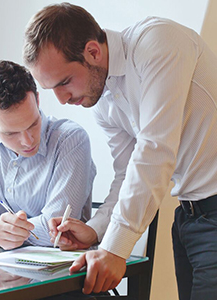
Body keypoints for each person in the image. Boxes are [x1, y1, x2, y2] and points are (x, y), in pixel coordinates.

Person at [23, 3, 217, 299]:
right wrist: (97, 230)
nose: (62, 100)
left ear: (93, 52)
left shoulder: (159, 42)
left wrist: (115, 248)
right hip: (188, 217)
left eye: (64, 82)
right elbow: (127, 173)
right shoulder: (102, 100)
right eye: (52, 90)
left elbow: (155, 150)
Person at [0, 59, 96, 250]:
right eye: (11, 133)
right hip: (2, 266)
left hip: (62, 269)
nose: (28, 141)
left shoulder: (70, 139)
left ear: (37, 100)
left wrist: (9, 233)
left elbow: (57, 232)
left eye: (33, 124)